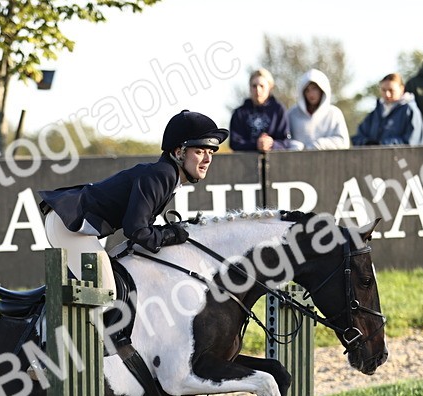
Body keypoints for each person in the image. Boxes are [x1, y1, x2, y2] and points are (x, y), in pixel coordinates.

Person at [39, 110, 227, 294]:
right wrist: (169, 235)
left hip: (70, 223)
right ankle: (48, 322)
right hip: (68, 226)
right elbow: (136, 229)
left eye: (211, 152)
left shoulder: (166, 175)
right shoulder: (162, 175)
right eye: (200, 151)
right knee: (105, 291)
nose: (207, 159)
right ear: (179, 152)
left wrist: (167, 233)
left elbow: (141, 229)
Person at [351, 73, 423, 147]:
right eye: (383, 90)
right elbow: (359, 137)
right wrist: (367, 143)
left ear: (402, 89)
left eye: (391, 90)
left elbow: (414, 142)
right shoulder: (376, 113)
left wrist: (383, 144)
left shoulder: (409, 111)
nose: (387, 94)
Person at [229, 68, 292, 152]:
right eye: (254, 86)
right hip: (245, 162)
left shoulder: (278, 110)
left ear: (270, 88)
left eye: (262, 86)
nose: (258, 90)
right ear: (250, 88)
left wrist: (271, 144)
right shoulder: (240, 113)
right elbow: (234, 143)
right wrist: (256, 144)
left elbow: (286, 142)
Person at [285, 69, 350, 150]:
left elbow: (343, 142)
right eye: (307, 90)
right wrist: (294, 145)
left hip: (327, 161)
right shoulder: (292, 113)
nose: (311, 94)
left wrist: (319, 145)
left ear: (322, 90)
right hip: (298, 161)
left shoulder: (334, 113)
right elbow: (284, 139)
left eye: (314, 89)